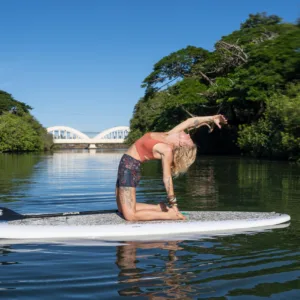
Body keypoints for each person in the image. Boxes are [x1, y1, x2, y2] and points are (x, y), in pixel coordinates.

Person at [116, 114, 227, 221]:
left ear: (182, 144)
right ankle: (159, 208)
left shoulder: (167, 150)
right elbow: (190, 122)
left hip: (129, 169)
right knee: (121, 208)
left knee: (130, 216)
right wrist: (212, 118)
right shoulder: (169, 135)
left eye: (188, 139)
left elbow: (167, 178)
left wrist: (173, 203)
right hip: (125, 165)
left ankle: (171, 215)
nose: (188, 135)